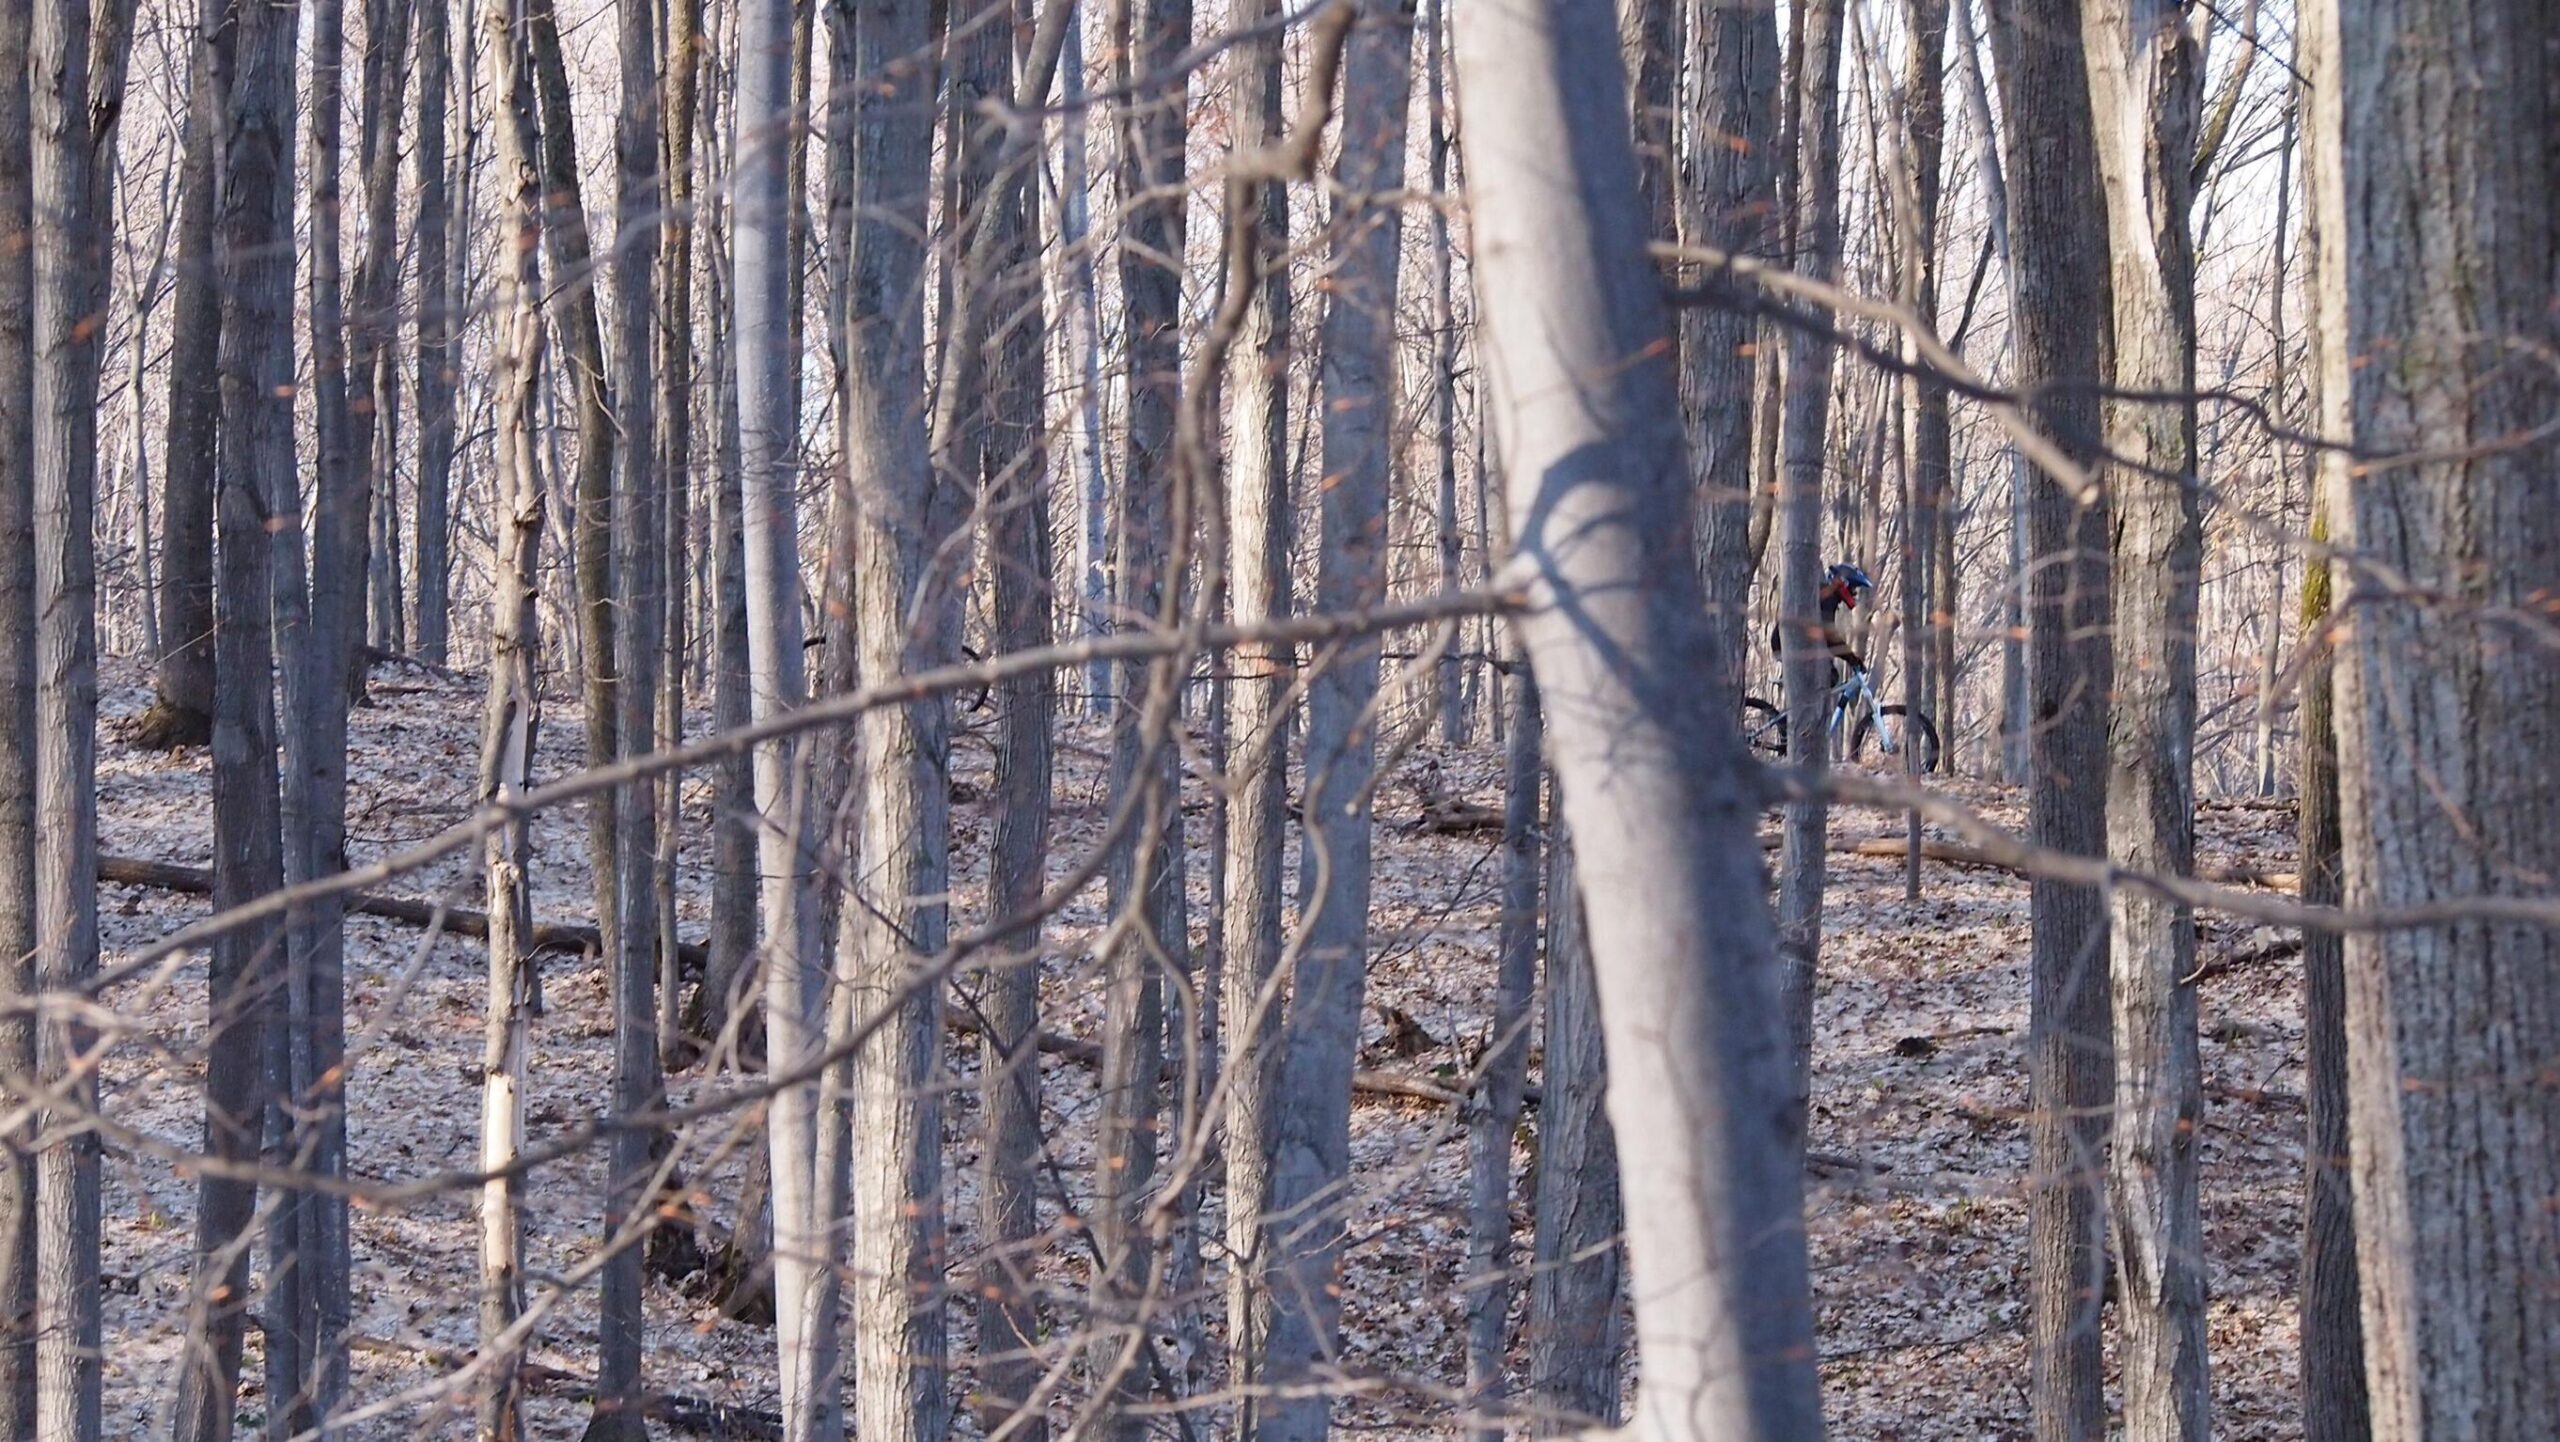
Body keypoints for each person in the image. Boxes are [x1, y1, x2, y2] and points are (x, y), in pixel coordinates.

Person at [1769, 562, 1873, 677]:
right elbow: (1829, 636)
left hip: (1787, 643)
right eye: (1853, 588)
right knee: (1828, 675)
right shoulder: (1827, 598)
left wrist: (1851, 658)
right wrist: (1852, 659)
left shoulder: (1824, 594)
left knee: (1829, 671)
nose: (1854, 593)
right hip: (1788, 644)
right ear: (1843, 583)